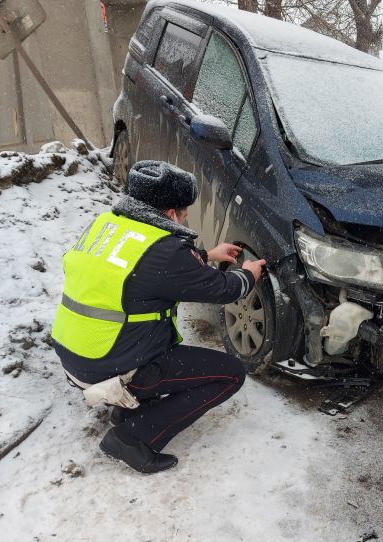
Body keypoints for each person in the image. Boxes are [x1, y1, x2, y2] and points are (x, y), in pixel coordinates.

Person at [50, 160, 266, 473]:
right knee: (230, 373)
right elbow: (223, 289)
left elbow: (143, 267)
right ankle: (132, 438)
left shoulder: (107, 225)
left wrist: (205, 256)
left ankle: (127, 409)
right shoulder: (167, 252)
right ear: (169, 214)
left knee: (152, 335)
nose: (185, 217)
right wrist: (249, 274)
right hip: (108, 367)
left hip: (75, 356)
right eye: (184, 212)